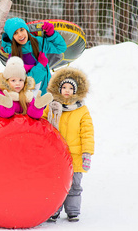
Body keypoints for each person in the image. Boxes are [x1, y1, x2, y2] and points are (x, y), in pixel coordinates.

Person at [42, 66, 95, 222]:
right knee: (56, 184)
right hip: (56, 154)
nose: (66, 90)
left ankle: (73, 211)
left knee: (74, 185)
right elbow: (43, 125)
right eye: (64, 87)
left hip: (75, 156)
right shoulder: (51, 107)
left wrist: (87, 153)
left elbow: (87, 133)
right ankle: (54, 209)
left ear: (76, 90)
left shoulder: (82, 111)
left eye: (70, 88)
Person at [0, 18, 67, 94]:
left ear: (26, 30)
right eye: (15, 33)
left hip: (48, 90)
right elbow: (25, 82)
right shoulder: (14, 57)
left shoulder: (39, 42)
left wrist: (52, 34)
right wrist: (41, 66)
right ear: (11, 37)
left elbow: (61, 48)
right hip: (32, 98)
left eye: (22, 30)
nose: (20, 35)